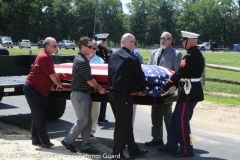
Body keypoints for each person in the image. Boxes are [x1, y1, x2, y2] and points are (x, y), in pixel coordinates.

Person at [158, 31, 204, 157]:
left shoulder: (190, 56)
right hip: (187, 91)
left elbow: (179, 74)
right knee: (175, 120)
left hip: (189, 93)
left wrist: (166, 85)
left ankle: (186, 149)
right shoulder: (194, 54)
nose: (182, 42)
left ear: (190, 41)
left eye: (184, 40)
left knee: (182, 122)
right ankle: (171, 145)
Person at [61, 37, 106, 154]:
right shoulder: (82, 61)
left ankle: (85, 146)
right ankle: (68, 140)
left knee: (88, 121)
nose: (92, 49)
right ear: (83, 47)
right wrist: (99, 88)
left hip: (83, 94)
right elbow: (90, 80)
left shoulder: (81, 59)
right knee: (83, 121)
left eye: (93, 47)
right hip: (80, 94)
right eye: (90, 47)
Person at [108, 33, 148, 160]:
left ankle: (133, 149)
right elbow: (140, 77)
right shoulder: (131, 59)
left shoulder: (113, 56)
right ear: (131, 43)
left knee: (125, 123)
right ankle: (117, 154)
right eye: (134, 43)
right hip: (123, 96)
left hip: (113, 94)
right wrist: (143, 88)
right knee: (122, 125)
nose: (134, 45)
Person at [23, 37, 62, 148]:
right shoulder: (44, 57)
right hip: (33, 89)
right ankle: (45, 142)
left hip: (40, 90)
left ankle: (36, 140)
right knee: (39, 116)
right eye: (54, 46)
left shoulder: (48, 56)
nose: (56, 47)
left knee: (38, 116)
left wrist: (50, 85)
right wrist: (59, 84)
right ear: (47, 47)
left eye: (57, 45)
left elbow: (46, 74)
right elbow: (52, 75)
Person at [145, 32, 182, 146]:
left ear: (171, 40)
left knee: (167, 114)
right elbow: (149, 68)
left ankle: (172, 141)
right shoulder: (154, 53)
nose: (163, 40)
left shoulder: (176, 53)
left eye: (166, 38)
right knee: (155, 114)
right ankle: (157, 138)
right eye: (161, 38)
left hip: (168, 89)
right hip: (154, 89)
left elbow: (177, 72)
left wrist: (172, 87)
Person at [95, 33, 113, 123]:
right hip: (98, 76)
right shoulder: (96, 51)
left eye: (105, 40)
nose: (104, 42)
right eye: (103, 41)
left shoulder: (109, 51)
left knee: (104, 97)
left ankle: (102, 116)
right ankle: (96, 116)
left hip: (106, 75)